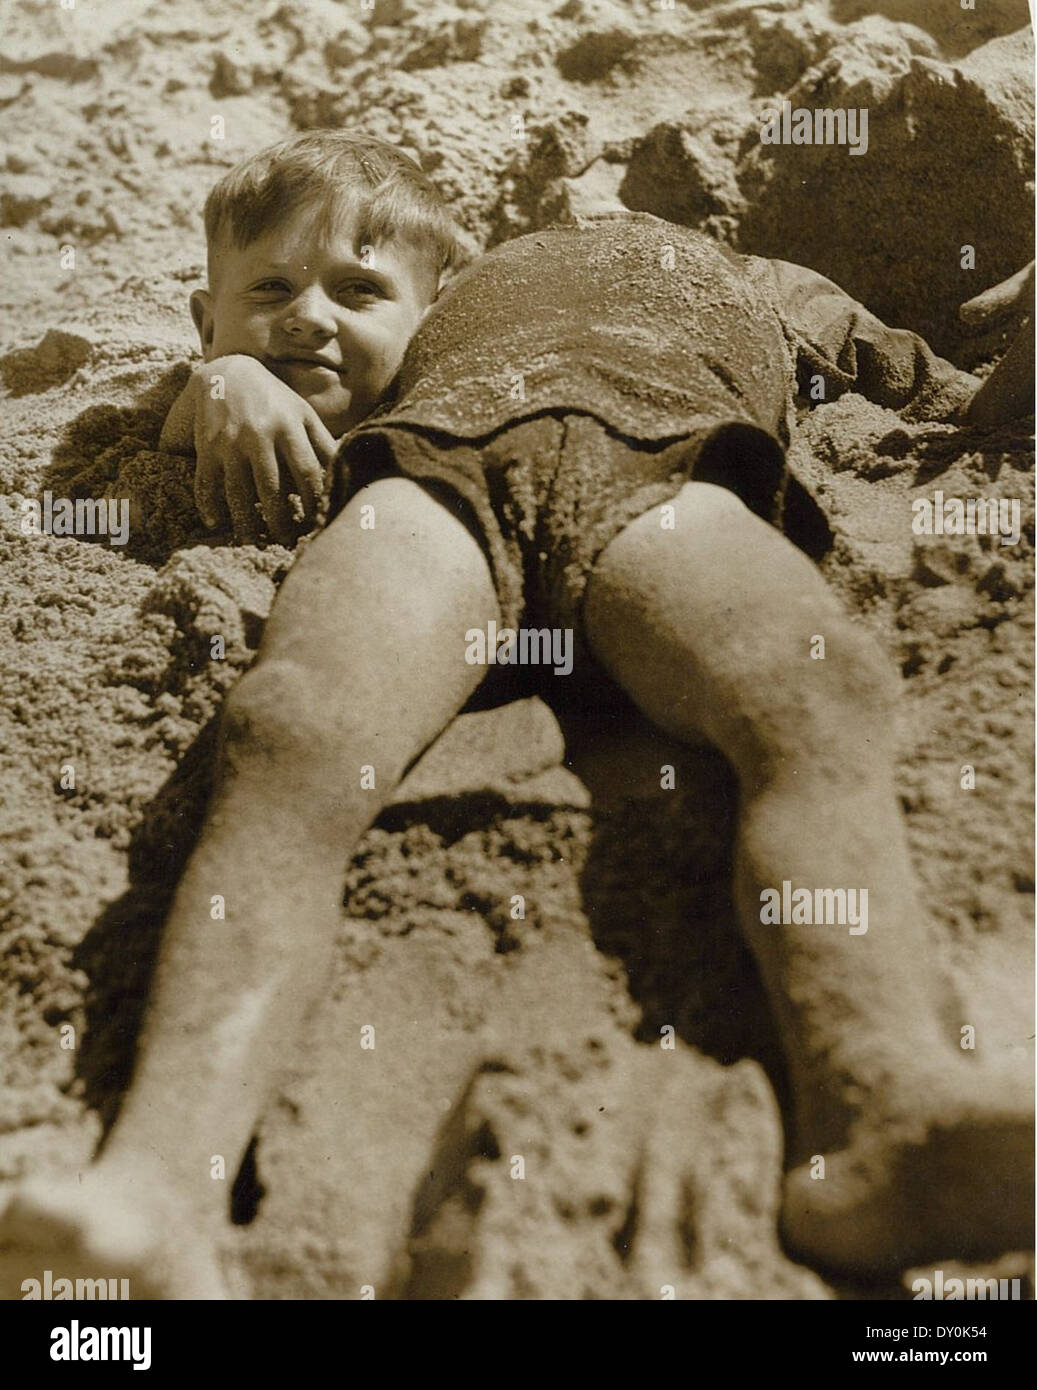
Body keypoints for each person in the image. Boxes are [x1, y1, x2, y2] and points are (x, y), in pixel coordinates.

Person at [1, 130, 1030, 1299]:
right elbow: (231, 381)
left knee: (810, 684)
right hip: (432, 467)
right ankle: (159, 1185)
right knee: (293, 729)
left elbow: (944, 400)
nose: (590, 191)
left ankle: (882, 1104)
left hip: (663, 460)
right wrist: (224, 375)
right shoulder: (430, 311)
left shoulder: (765, 284)